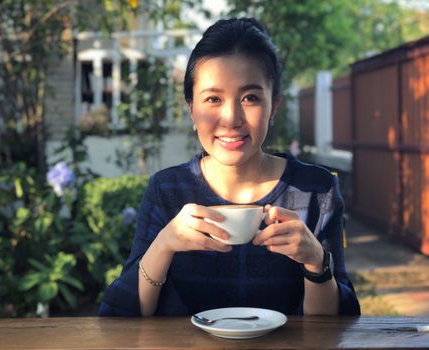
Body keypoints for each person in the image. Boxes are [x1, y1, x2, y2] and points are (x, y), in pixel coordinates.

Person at [99, 17, 360, 317]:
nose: (231, 118)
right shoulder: (167, 190)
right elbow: (123, 317)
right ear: (191, 109)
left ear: (273, 106)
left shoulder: (317, 190)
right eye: (213, 98)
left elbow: (333, 328)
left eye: (250, 97)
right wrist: (163, 245)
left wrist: (316, 261)